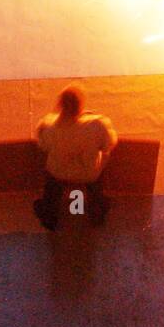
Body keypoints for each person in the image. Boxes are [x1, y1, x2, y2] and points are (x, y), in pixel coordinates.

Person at [33, 85, 117, 231]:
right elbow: (109, 144)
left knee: (52, 176)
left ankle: (49, 211)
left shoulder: (50, 127)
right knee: (104, 157)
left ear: (60, 104)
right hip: (89, 174)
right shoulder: (97, 125)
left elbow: (43, 145)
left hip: (59, 173)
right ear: (81, 104)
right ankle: (97, 206)